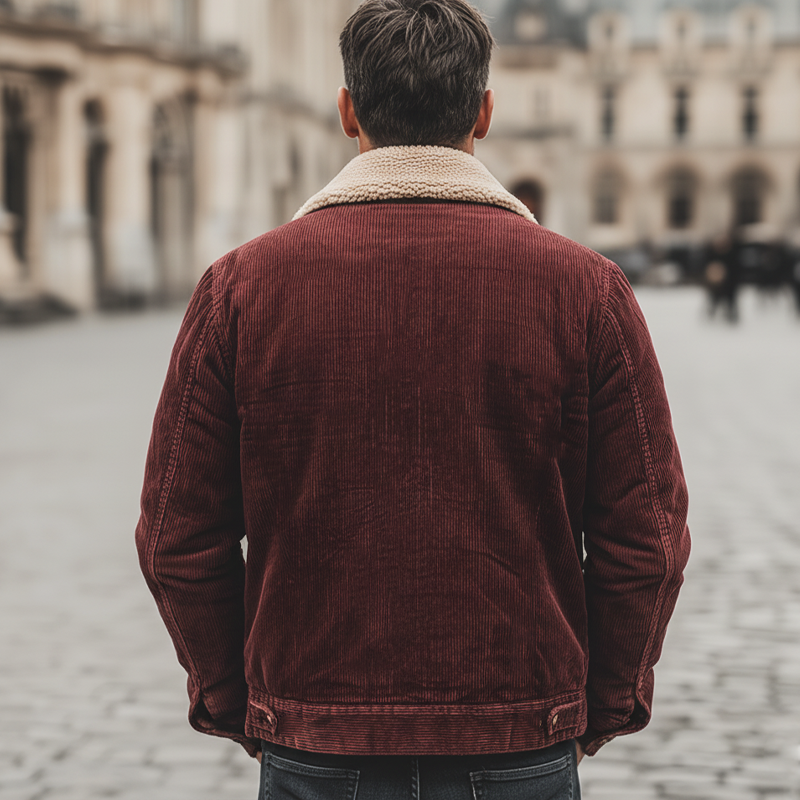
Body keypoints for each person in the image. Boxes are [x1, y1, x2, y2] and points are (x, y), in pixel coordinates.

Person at [135, 1, 691, 797]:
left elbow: (175, 537)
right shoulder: (587, 290)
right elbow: (650, 537)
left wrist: (236, 699)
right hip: (518, 736)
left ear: (348, 110)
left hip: (317, 738)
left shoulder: (240, 288)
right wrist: (602, 701)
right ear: (485, 113)